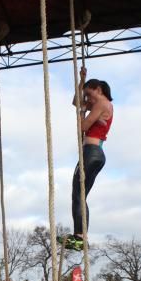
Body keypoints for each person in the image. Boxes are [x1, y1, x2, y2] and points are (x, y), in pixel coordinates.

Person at [58, 67, 113, 251]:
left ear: (99, 90)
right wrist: (82, 81)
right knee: (81, 195)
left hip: (91, 152)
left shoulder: (101, 104)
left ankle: (80, 237)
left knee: (78, 194)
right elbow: (76, 101)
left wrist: (83, 111)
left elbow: (83, 126)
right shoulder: (102, 104)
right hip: (95, 153)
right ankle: (80, 236)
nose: (88, 100)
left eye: (90, 95)